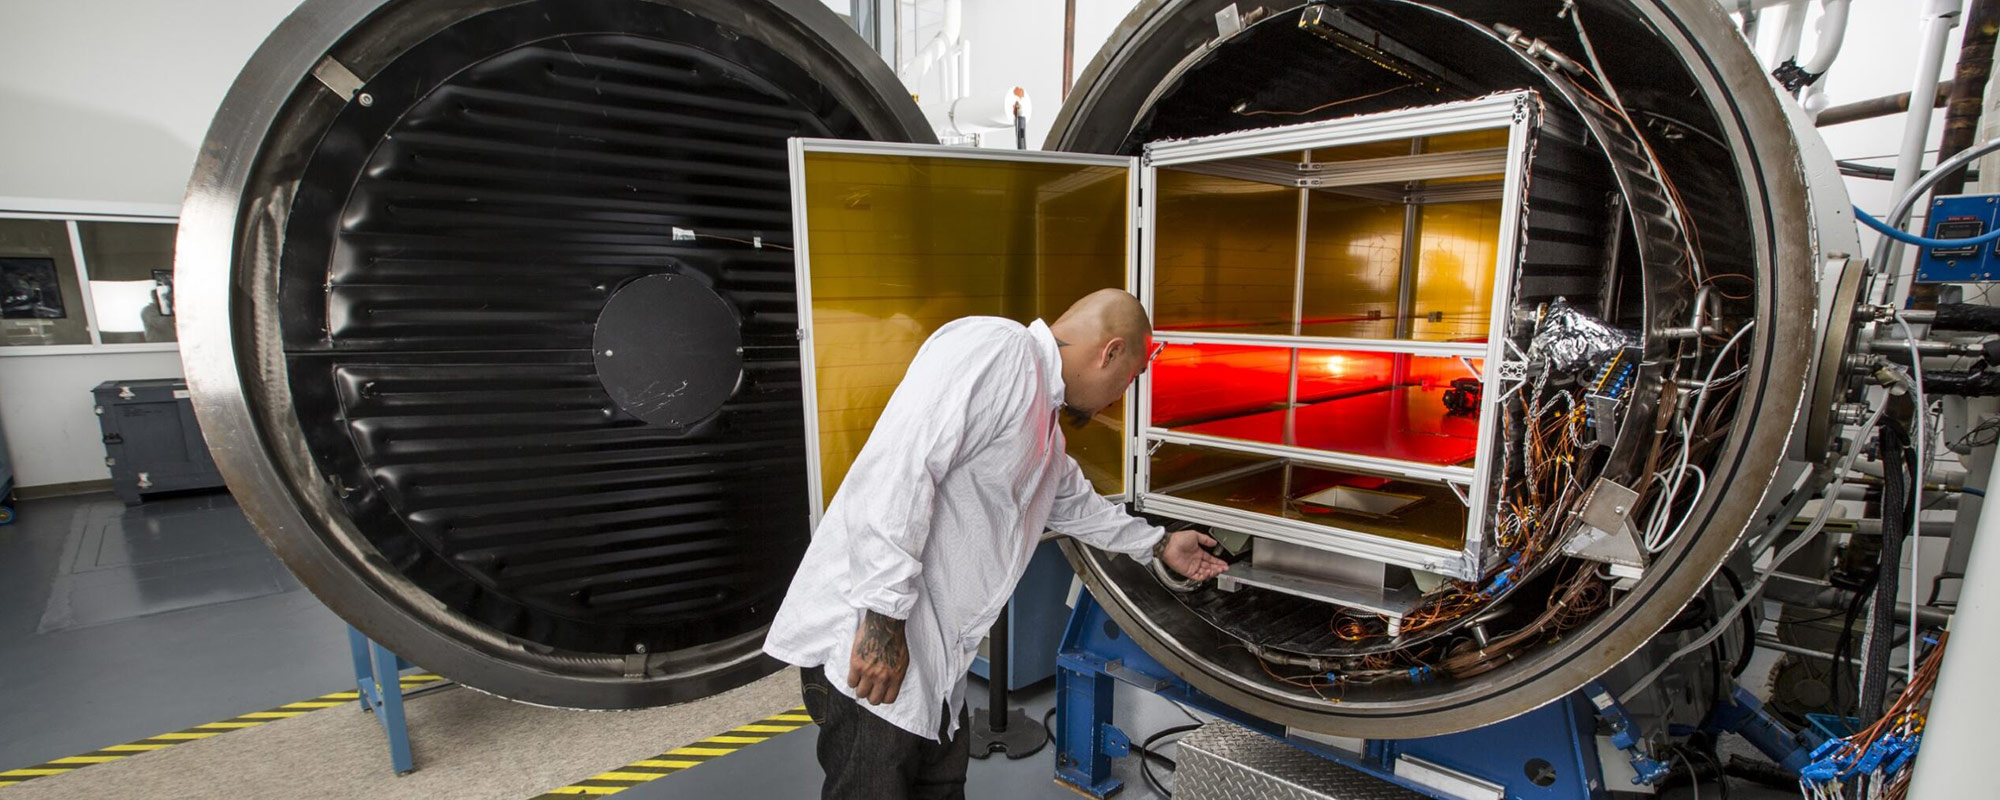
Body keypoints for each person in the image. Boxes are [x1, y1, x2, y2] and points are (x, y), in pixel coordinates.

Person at [763, 288, 1228, 800]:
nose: (1120, 395)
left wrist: (1159, 545)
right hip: (875, 649)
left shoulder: (1043, 422)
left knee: (940, 786)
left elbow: (1076, 504)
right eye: (1129, 379)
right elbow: (899, 472)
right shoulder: (997, 351)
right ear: (1111, 352)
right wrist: (883, 618)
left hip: (934, 662)